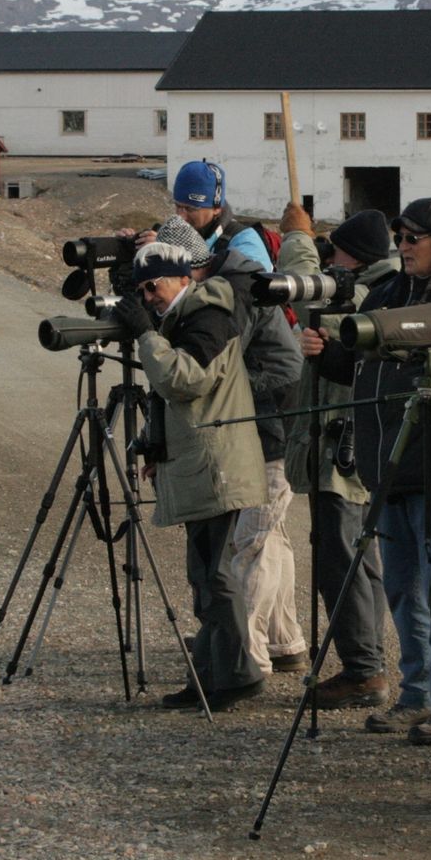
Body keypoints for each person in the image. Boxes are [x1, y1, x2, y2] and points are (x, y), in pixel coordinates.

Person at [303, 197, 431, 745]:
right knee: (402, 590)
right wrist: (325, 351)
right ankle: (415, 695)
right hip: (389, 468)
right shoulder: (391, 292)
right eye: (399, 237)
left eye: (415, 238)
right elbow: (359, 367)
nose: (404, 247)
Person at [114, 241, 268, 712]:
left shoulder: (208, 318)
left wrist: (144, 335)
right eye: (141, 290)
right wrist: (155, 443)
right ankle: (208, 677)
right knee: (204, 576)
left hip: (217, 465)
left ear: (184, 279)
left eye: (154, 286)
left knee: (214, 576)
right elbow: (174, 397)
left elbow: (184, 380)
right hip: (203, 461)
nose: (149, 297)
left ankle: (237, 675)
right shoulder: (182, 319)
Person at [155, 216, 307, 680]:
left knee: (250, 544)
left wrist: (236, 391)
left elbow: (285, 368)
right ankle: (284, 642)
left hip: (268, 434)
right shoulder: (228, 285)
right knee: (268, 539)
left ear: (190, 270)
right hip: (261, 430)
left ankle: (247, 655)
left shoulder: (234, 296)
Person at [278, 202, 400, 709]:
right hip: (352, 447)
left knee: (340, 558)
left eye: (339, 255)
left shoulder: (366, 293)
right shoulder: (385, 286)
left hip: (342, 451)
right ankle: (365, 661)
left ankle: (363, 668)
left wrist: (296, 235)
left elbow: (305, 283)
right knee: (361, 557)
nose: (333, 264)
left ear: (356, 259)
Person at [171, 159, 274, 272]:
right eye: (178, 206)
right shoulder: (172, 235)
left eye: (190, 209)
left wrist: (197, 264)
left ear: (216, 208)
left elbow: (254, 285)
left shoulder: (244, 241)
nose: (181, 216)